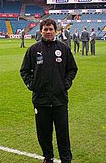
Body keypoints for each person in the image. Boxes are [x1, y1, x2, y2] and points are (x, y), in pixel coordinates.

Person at [20, 18, 78, 163]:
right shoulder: (33, 50)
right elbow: (24, 70)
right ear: (41, 31)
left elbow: (72, 69)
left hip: (60, 99)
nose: (48, 32)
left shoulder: (63, 48)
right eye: (45, 29)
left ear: (55, 31)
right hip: (41, 100)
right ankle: (48, 157)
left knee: (62, 133)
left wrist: (66, 83)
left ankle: (66, 159)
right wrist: (31, 85)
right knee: (44, 133)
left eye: (50, 29)